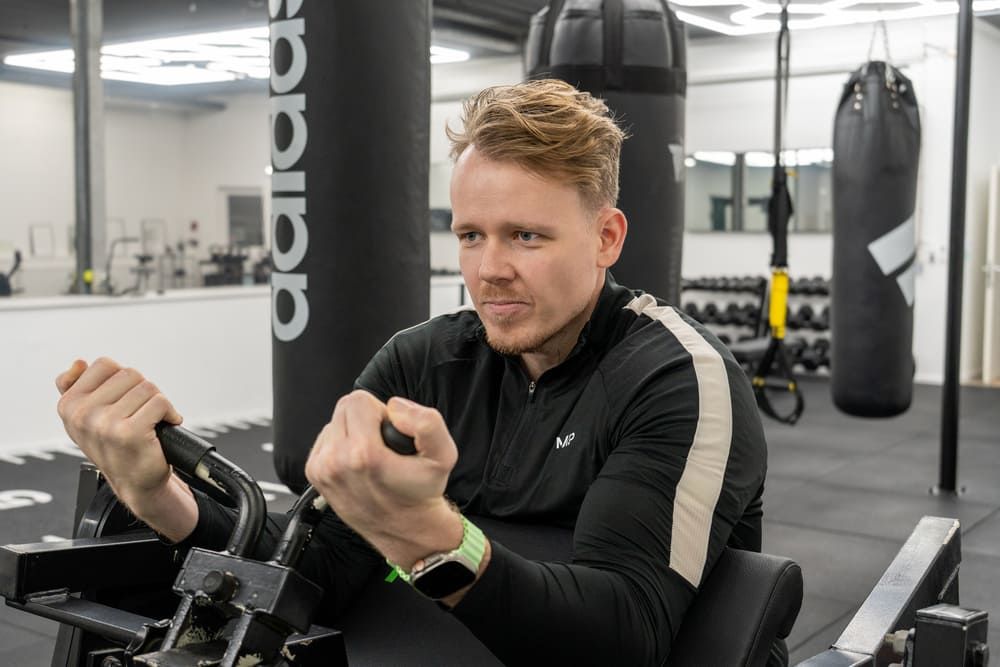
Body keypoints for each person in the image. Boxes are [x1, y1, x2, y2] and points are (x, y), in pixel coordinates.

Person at [56, 79, 767, 666]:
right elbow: (317, 576)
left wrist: (431, 537)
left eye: (527, 235)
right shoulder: (423, 361)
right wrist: (159, 495)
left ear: (606, 237)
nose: (490, 269)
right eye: (470, 236)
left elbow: (623, 638)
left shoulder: (675, 377)